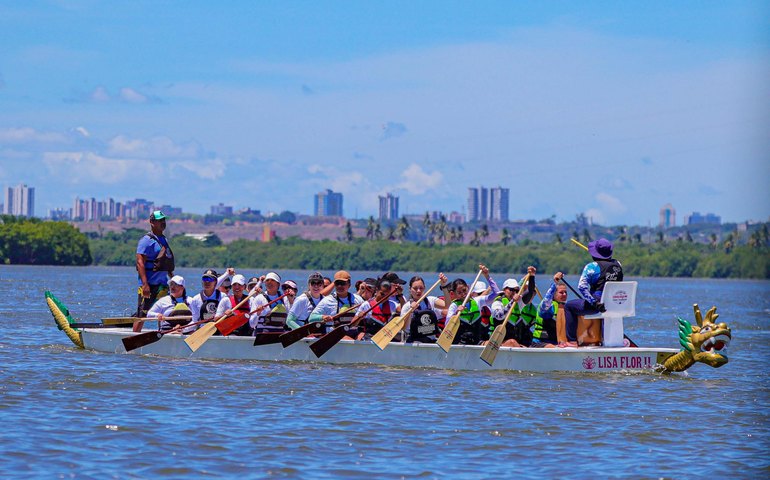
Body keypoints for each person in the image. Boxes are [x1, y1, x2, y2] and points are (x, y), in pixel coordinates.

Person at [562, 238, 624, 347]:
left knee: (569, 306)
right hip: (616, 305)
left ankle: (571, 341)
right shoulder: (618, 264)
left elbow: (582, 287)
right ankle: (611, 340)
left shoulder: (591, 267)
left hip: (598, 306)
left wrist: (594, 302)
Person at [134, 210, 175, 332]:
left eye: (164, 220)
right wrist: (145, 284)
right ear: (152, 222)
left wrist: (172, 279)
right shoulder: (146, 241)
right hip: (149, 285)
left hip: (162, 285)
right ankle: (134, 336)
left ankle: (162, 334)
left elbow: (165, 262)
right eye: (159, 220)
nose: (163, 222)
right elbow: (140, 262)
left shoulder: (164, 239)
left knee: (165, 312)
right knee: (142, 314)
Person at [444, 264, 499, 345]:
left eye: (464, 290)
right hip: (460, 343)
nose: (463, 294)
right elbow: (447, 325)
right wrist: (455, 314)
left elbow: (496, 294)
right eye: (459, 292)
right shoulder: (454, 306)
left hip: (476, 342)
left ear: (468, 288)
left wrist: (487, 276)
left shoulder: (478, 301)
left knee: (489, 343)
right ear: (454, 294)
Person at [489, 266, 538, 347]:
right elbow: (499, 316)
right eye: (511, 290)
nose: (514, 292)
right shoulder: (497, 302)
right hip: (498, 341)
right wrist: (512, 302)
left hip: (515, 342)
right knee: (512, 342)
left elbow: (529, 293)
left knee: (521, 343)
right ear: (504, 290)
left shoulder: (518, 303)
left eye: (516, 290)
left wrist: (532, 276)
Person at [309, 270, 364, 337]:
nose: (339, 286)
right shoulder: (327, 300)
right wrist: (323, 317)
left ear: (349, 285)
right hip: (334, 337)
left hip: (353, 335)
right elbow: (311, 318)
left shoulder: (358, 300)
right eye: (337, 283)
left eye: (342, 283)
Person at [358, 272, 406, 340]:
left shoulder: (392, 303)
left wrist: (400, 295)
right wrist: (359, 317)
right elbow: (354, 323)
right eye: (382, 294)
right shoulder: (367, 304)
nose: (384, 298)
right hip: (370, 336)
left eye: (387, 295)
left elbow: (404, 310)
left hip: (385, 336)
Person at [185, 268, 232, 333]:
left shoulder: (223, 297)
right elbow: (195, 322)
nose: (207, 282)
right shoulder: (196, 299)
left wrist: (228, 313)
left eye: (210, 279)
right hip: (203, 331)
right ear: (202, 282)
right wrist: (183, 330)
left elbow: (229, 317)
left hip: (220, 330)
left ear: (216, 282)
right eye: (205, 279)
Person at [403, 273, 447, 343]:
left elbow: (447, 305)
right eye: (415, 288)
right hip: (415, 341)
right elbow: (404, 328)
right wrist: (410, 311)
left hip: (431, 340)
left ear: (424, 288)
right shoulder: (407, 306)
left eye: (421, 288)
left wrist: (444, 286)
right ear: (410, 289)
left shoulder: (431, 300)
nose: (418, 291)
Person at [531, 272, 565, 348]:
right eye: (561, 292)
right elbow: (546, 301)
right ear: (554, 294)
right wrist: (555, 282)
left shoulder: (565, 307)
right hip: (540, 342)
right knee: (553, 347)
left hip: (556, 342)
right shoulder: (548, 306)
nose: (564, 294)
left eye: (565, 292)